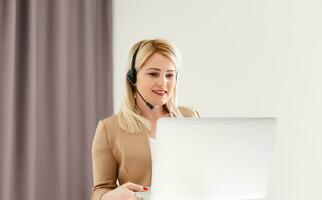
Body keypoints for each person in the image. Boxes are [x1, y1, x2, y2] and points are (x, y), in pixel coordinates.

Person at [91, 39, 199, 200]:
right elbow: (99, 191)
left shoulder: (190, 117)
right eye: (153, 73)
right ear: (132, 77)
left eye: (169, 75)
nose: (163, 83)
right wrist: (109, 197)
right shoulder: (109, 128)